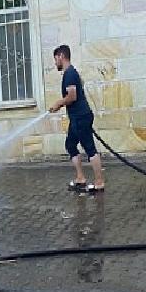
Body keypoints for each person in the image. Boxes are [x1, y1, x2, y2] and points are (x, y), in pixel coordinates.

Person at [49, 45, 105, 191]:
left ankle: (99, 183)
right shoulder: (69, 73)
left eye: (55, 59)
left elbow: (72, 96)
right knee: (70, 145)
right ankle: (81, 178)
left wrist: (58, 104)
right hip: (76, 118)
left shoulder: (70, 74)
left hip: (81, 117)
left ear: (61, 56)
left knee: (90, 148)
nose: (55, 63)